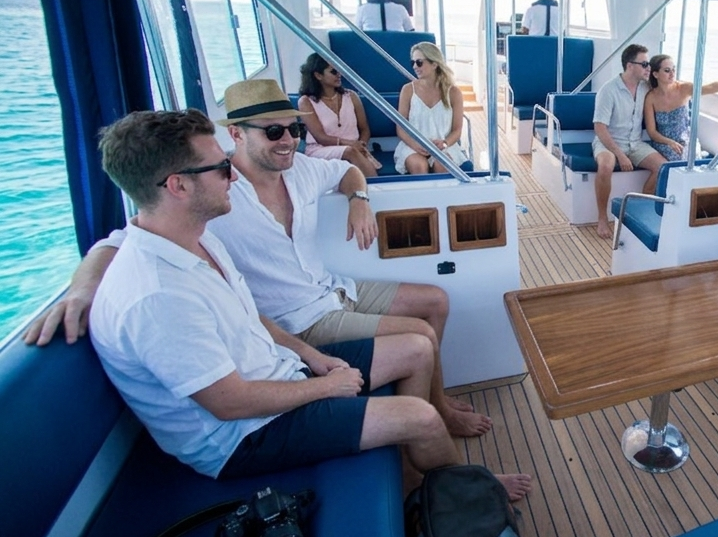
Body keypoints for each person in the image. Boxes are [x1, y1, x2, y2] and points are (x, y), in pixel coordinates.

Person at [86, 109, 530, 498]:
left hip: (279, 366)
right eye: (220, 168)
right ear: (178, 185)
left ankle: (416, 477)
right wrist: (325, 386)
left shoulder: (196, 241)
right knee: (419, 417)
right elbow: (230, 404)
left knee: (417, 346)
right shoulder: (157, 296)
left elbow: (249, 314)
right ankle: (467, 493)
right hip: (245, 435)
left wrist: (313, 358)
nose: (233, 175)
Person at [29, 79, 492, 440]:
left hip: (334, 290)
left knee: (434, 300)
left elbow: (349, 169)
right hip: (300, 320)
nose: (289, 139)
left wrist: (359, 199)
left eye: (292, 128)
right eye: (274, 131)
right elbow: (117, 242)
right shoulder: (210, 196)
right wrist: (82, 289)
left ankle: (440, 405)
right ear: (235, 134)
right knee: (421, 337)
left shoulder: (304, 168)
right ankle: (430, 425)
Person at [592, 44, 668, 239]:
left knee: (663, 168)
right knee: (606, 166)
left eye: (649, 64)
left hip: (635, 143)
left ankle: (642, 208)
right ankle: (602, 218)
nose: (648, 69)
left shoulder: (645, 87)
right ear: (629, 65)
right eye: (644, 64)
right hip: (608, 142)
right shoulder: (608, 90)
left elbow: (671, 85)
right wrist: (619, 155)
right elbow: (600, 128)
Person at [643, 54, 718, 161]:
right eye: (667, 71)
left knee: (687, 157)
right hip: (663, 142)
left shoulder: (683, 88)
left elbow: (710, 87)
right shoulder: (651, 98)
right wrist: (669, 142)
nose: (672, 74)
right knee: (674, 159)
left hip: (685, 140)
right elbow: (652, 132)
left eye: (673, 69)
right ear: (656, 74)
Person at [296, 53, 380, 177]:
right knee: (349, 152)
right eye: (334, 71)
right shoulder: (306, 102)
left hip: (355, 149)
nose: (339, 74)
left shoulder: (351, 96)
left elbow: (364, 129)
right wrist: (351, 145)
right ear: (318, 75)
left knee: (352, 153)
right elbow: (320, 137)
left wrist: (361, 144)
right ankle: (377, 187)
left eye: (340, 70)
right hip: (321, 149)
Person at [395, 42, 468, 175]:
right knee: (419, 167)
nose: (415, 67)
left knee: (442, 165)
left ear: (434, 64)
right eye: (413, 63)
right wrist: (415, 144)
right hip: (413, 145)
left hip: (444, 146)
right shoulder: (407, 90)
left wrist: (444, 143)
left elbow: (457, 129)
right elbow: (400, 127)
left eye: (419, 62)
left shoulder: (453, 93)